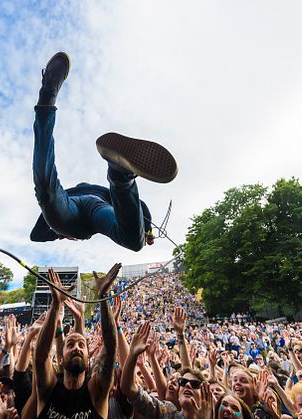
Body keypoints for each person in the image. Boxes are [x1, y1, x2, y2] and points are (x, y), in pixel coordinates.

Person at [29, 52, 178, 252]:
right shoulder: (102, 193)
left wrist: (57, 234)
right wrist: (148, 230)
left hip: (70, 207)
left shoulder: (69, 194)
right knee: (134, 241)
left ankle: (48, 96)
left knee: (47, 192)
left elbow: (36, 236)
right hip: (97, 208)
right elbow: (140, 206)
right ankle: (119, 176)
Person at [33, 265, 120, 419]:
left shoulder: (96, 391)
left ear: (88, 360)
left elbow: (110, 347)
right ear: (60, 359)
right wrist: (56, 304)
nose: (77, 348)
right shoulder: (48, 388)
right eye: (70, 344)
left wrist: (103, 296)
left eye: (81, 345)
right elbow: (40, 355)